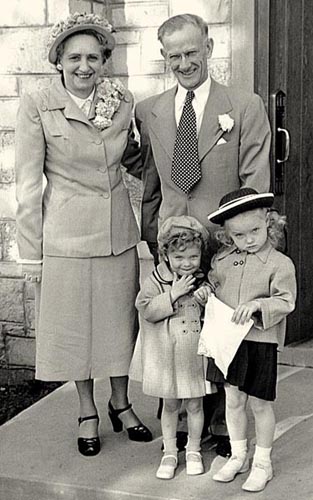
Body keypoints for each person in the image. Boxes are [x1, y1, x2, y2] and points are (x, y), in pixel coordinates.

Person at [134, 12, 272, 455]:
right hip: (175, 244)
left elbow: (254, 181)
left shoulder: (244, 106)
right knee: (176, 331)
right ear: (164, 57)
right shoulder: (149, 110)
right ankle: (174, 427)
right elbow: (153, 182)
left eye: (192, 51)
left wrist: (245, 242)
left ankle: (220, 425)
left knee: (221, 333)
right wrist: (153, 238)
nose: (184, 62)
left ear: (209, 48)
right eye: (174, 55)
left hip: (222, 241)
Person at [14, 12, 151, 457]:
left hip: (116, 233)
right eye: (74, 57)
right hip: (66, 236)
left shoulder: (122, 99)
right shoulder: (38, 103)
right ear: (59, 60)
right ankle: (87, 410)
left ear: (105, 60)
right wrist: (31, 254)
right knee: (76, 330)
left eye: (93, 57)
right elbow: (29, 183)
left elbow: (133, 158)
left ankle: (121, 403)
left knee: (117, 322)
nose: (84, 66)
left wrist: (177, 173)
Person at [203, 187, 297, 492]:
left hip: (260, 341)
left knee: (259, 404)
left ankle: (262, 462)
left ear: (269, 223)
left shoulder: (279, 264)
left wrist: (259, 305)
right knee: (233, 399)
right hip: (229, 342)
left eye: (255, 231)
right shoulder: (223, 261)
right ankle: (239, 455)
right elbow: (213, 286)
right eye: (239, 236)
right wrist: (206, 292)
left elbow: (286, 301)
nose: (249, 240)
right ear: (229, 236)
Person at [136, 216, 212, 479]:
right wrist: (172, 294)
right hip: (168, 355)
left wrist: (206, 299)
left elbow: (214, 311)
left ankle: (193, 448)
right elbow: (146, 309)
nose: (187, 264)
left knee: (195, 405)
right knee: (170, 405)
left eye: (193, 257)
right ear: (166, 255)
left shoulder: (203, 279)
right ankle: (170, 451)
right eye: (179, 258)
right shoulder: (156, 280)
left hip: (193, 355)